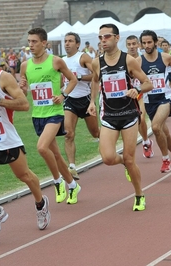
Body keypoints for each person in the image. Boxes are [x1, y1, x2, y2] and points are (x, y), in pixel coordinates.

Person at [0, 41, 50, 237]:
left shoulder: (2, 78)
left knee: (24, 176)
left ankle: (41, 204)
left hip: (5, 139)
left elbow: (23, 104)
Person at [87, 23, 153, 211]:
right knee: (108, 158)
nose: (103, 41)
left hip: (129, 115)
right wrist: (92, 101)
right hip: (109, 115)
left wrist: (137, 89)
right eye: (100, 38)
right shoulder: (96, 62)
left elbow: (148, 83)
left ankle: (139, 194)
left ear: (117, 38)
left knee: (131, 159)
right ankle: (123, 161)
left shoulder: (128, 61)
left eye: (107, 36)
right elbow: (94, 81)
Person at [19, 28, 81, 204]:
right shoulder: (25, 65)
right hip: (38, 115)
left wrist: (62, 95)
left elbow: (73, 80)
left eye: (34, 41)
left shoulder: (56, 62)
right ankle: (72, 185)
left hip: (55, 113)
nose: (31, 45)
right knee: (55, 154)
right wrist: (22, 88)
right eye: (29, 41)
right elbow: (23, 94)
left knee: (41, 147)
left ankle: (57, 181)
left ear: (44, 43)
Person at [138, 30, 171, 173]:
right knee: (164, 133)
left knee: (156, 127)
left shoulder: (165, 57)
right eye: (144, 43)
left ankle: (165, 159)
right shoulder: (138, 61)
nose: (147, 45)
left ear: (156, 42)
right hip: (149, 101)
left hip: (164, 99)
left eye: (149, 42)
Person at [62, 32, 100, 179]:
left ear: (77, 44)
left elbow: (96, 75)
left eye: (70, 41)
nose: (67, 44)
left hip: (85, 100)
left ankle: (109, 139)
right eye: (65, 41)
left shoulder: (83, 57)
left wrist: (79, 77)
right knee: (68, 134)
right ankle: (72, 167)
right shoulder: (62, 60)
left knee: (95, 133)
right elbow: (61, 80)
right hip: (70, 100)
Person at [125, 35, 154, 158]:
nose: (132, 46)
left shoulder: (143, 59)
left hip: (141, 93)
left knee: (141, 118)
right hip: (128, 95)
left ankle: (146, 142)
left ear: (138, 45)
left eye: (134, 44)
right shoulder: (124, 59)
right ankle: (144, 140)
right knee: (133, 122)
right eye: (129, 44)